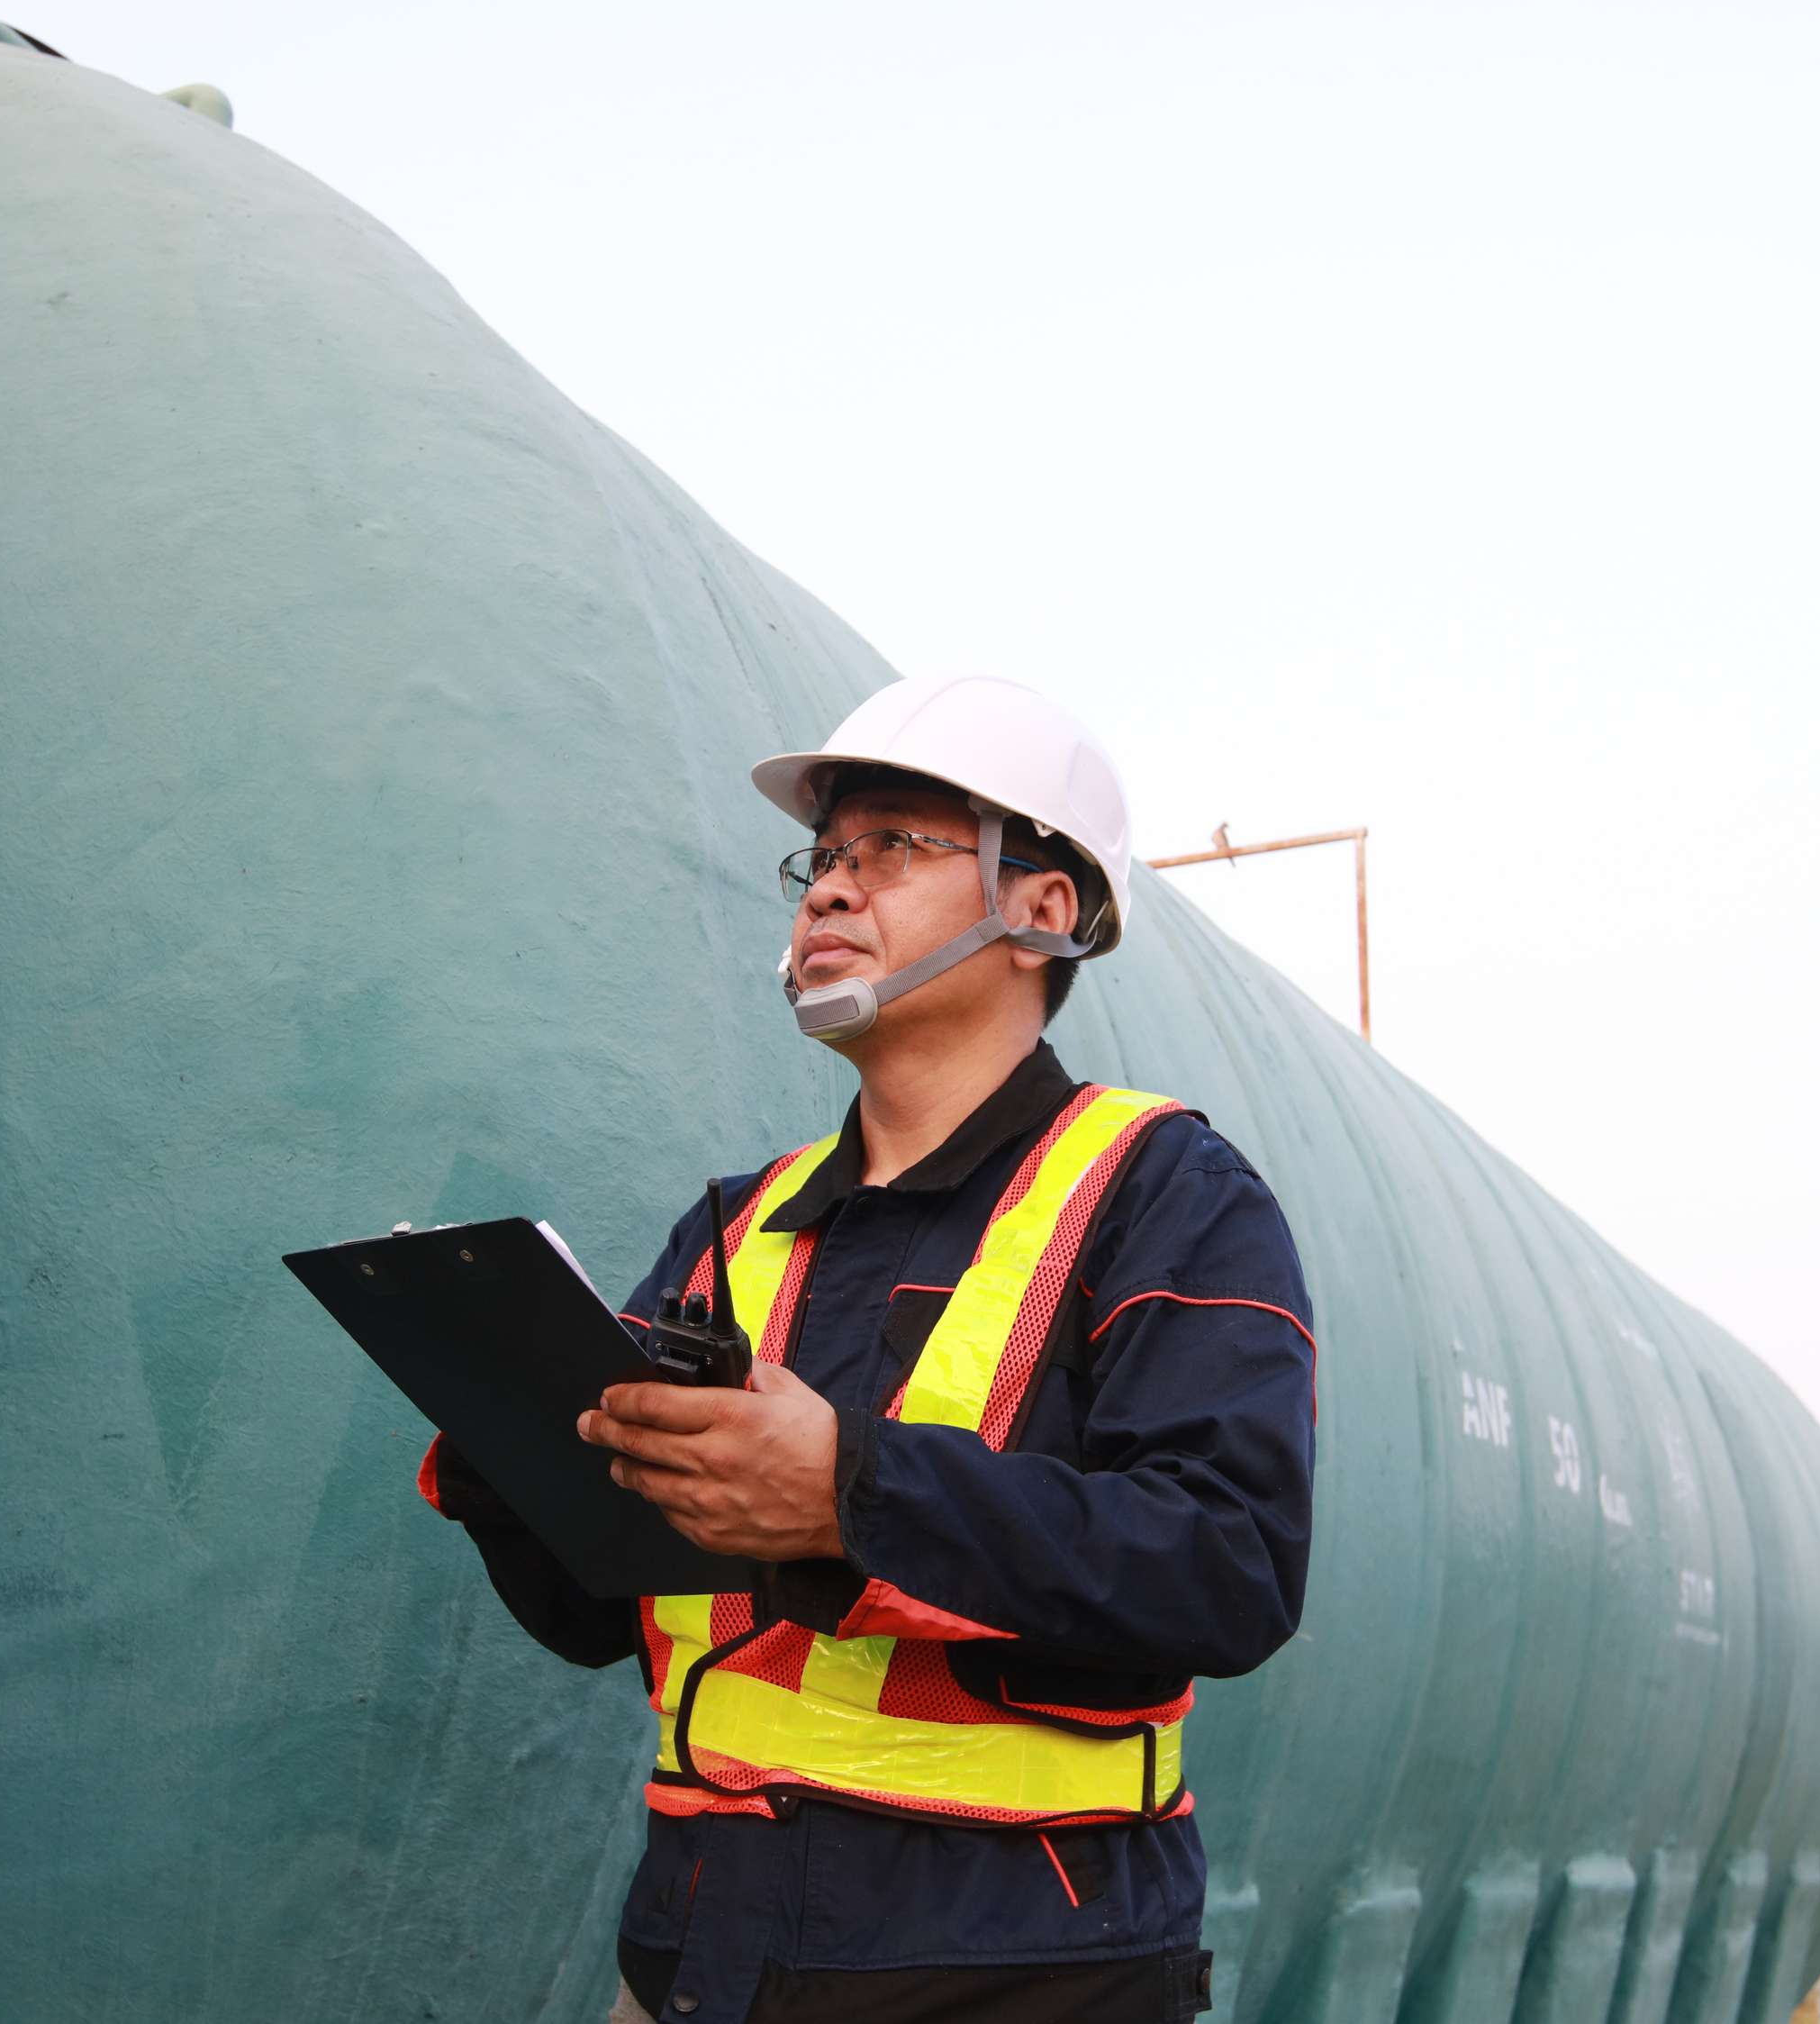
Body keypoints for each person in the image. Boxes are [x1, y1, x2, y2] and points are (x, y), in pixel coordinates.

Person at [418, 673, 1317, 2024]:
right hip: (698, 1963)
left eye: (893, 846)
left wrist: (848, 1495)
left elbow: (1228, 1568)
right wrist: (511, 1452)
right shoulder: (737, 1225)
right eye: (824, 856)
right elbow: (606, 1617)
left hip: (1019, 1978)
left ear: (1042, 908)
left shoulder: (1164, 1193)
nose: (832, 889)